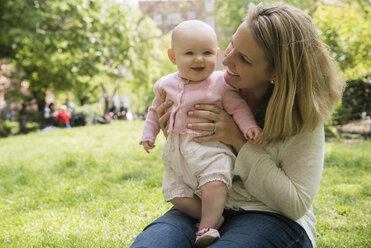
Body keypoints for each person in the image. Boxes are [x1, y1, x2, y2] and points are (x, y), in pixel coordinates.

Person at [132, 2, 344, 248]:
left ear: (275, 73)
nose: (227, 58)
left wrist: (239, 142)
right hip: (205, 205)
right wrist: (173, 131)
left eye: (243, 58)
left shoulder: (302, 117)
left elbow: (296, 204)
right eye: (233, 44)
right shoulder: (208, 88)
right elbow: (196, 154)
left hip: (270, 215)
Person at [139, 20, 262, 247]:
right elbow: (155, 111)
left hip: (210, 150)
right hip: (179, 153)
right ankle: (211, 215)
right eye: (189, 53)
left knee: (213, 184)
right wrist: (149, 134)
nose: (199, 59)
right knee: (176, 194)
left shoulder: (220, 84)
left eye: (206, 52)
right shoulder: (166, 85)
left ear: (216, 54)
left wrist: (248, 127)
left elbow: (238, 108)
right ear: (173, 57)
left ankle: (208, 226)